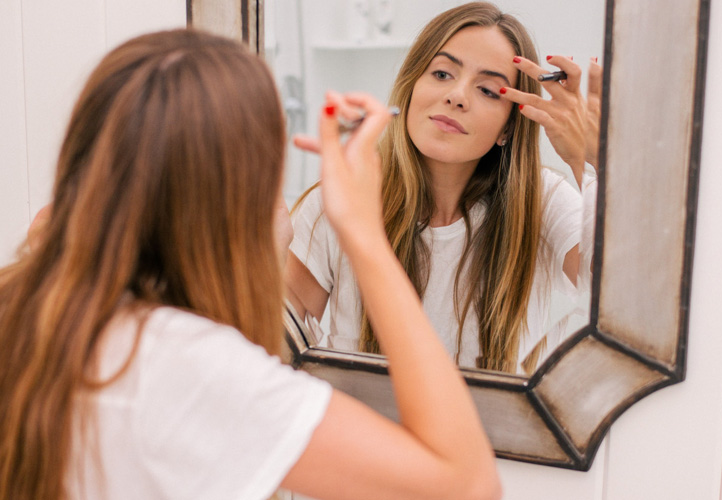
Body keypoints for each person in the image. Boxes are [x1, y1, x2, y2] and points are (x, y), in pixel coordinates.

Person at [0, 29, 502, 500]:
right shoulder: (189, 367)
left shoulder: (27, 303)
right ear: (232, 201)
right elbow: (468, 485)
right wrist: (365, 236)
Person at [286, 2, 601, 374]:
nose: (457, 96)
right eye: (441, 73)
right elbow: (276, 331)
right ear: (410, 88)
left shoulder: (542, 200)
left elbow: (621, 299)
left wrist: (591, 160)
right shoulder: (340, 198)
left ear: (508, 129)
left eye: (487, 90)